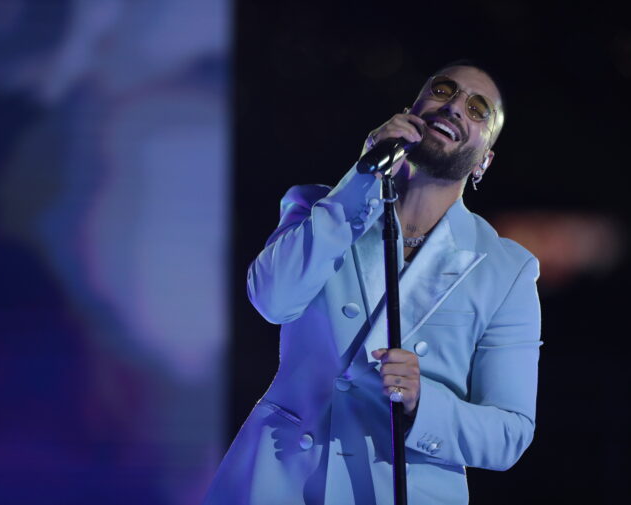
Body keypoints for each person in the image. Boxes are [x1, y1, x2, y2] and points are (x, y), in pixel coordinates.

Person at [203, 62, 542, 505]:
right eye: (444, 90)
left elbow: (510, 432)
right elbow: (272, 299)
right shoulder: (317, 207)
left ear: (484, 161)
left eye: (478, 110)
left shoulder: (506, 269)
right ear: (411, 112)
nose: (456, 106)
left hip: (393, 489)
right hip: (278, 480)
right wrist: (363, 175)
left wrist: (424, 403)